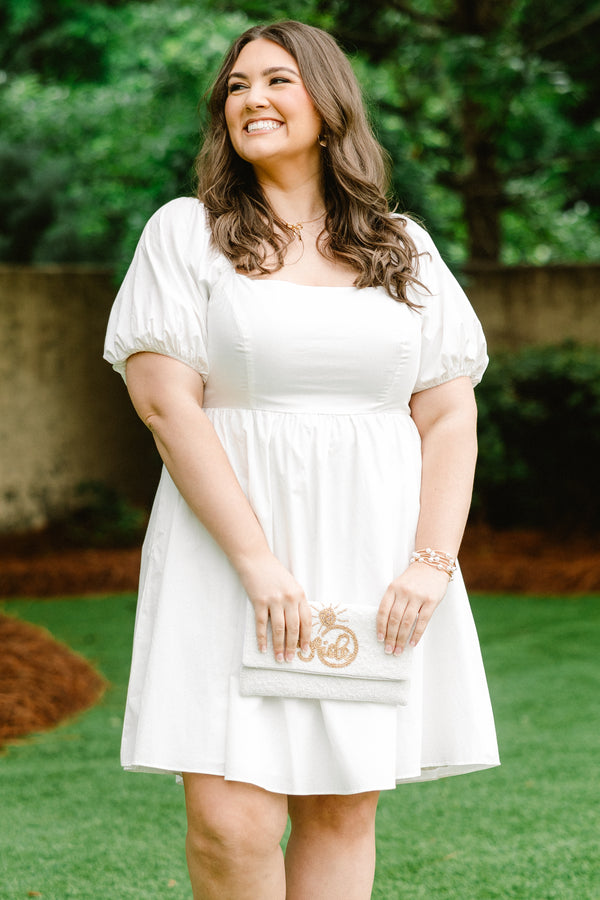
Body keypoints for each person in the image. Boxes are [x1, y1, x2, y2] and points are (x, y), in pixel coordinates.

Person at [104, 19, 499, 899]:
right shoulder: (186, 234)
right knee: (231, 821)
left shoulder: (403, 247)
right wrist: (259, 563)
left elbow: (447, 415)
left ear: (328, 103)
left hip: (370, 548)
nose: (252, 98)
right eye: (236, 86)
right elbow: (166, 405)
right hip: (224, 550)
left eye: (277, 80)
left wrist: (431, 564)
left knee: (339, 808)